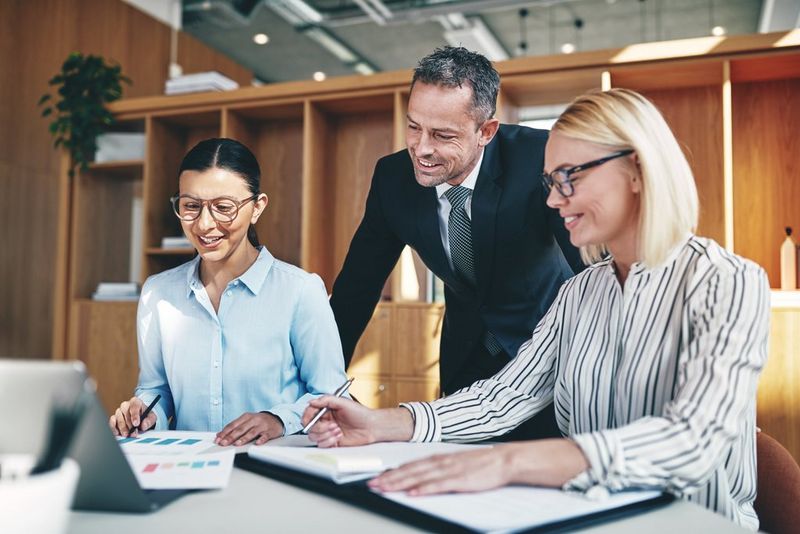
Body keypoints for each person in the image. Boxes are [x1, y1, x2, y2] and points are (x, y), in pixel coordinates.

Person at [303, 88, 770, 530]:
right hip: (590, 514)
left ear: (637, 169)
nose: (551, 199)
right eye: (549, 181)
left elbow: (694, 439)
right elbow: (502, 398)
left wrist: (510, 461)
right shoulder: (580, 293)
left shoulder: (727, 282)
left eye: (570, 177)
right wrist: (384, 423)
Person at [330, 46, 583, 440]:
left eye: (443, 135)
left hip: (548, 353)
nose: (422, 148)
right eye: (413, 127)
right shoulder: (393, 178)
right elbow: (356, 289)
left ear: (486, 131)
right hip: (465, 357)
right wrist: (325, 382)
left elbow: (590, 270)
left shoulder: (539, 157)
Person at [109, 138, 348, 446]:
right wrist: (145, 412)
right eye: (191, 207)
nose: (205, 224)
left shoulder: (300, 291)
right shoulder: (159, 293)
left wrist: (278, 420)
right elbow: (157, 389)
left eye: (224, 208)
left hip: (272, 465)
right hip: (187, 464)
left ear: (257, 207)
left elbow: (331, 394)